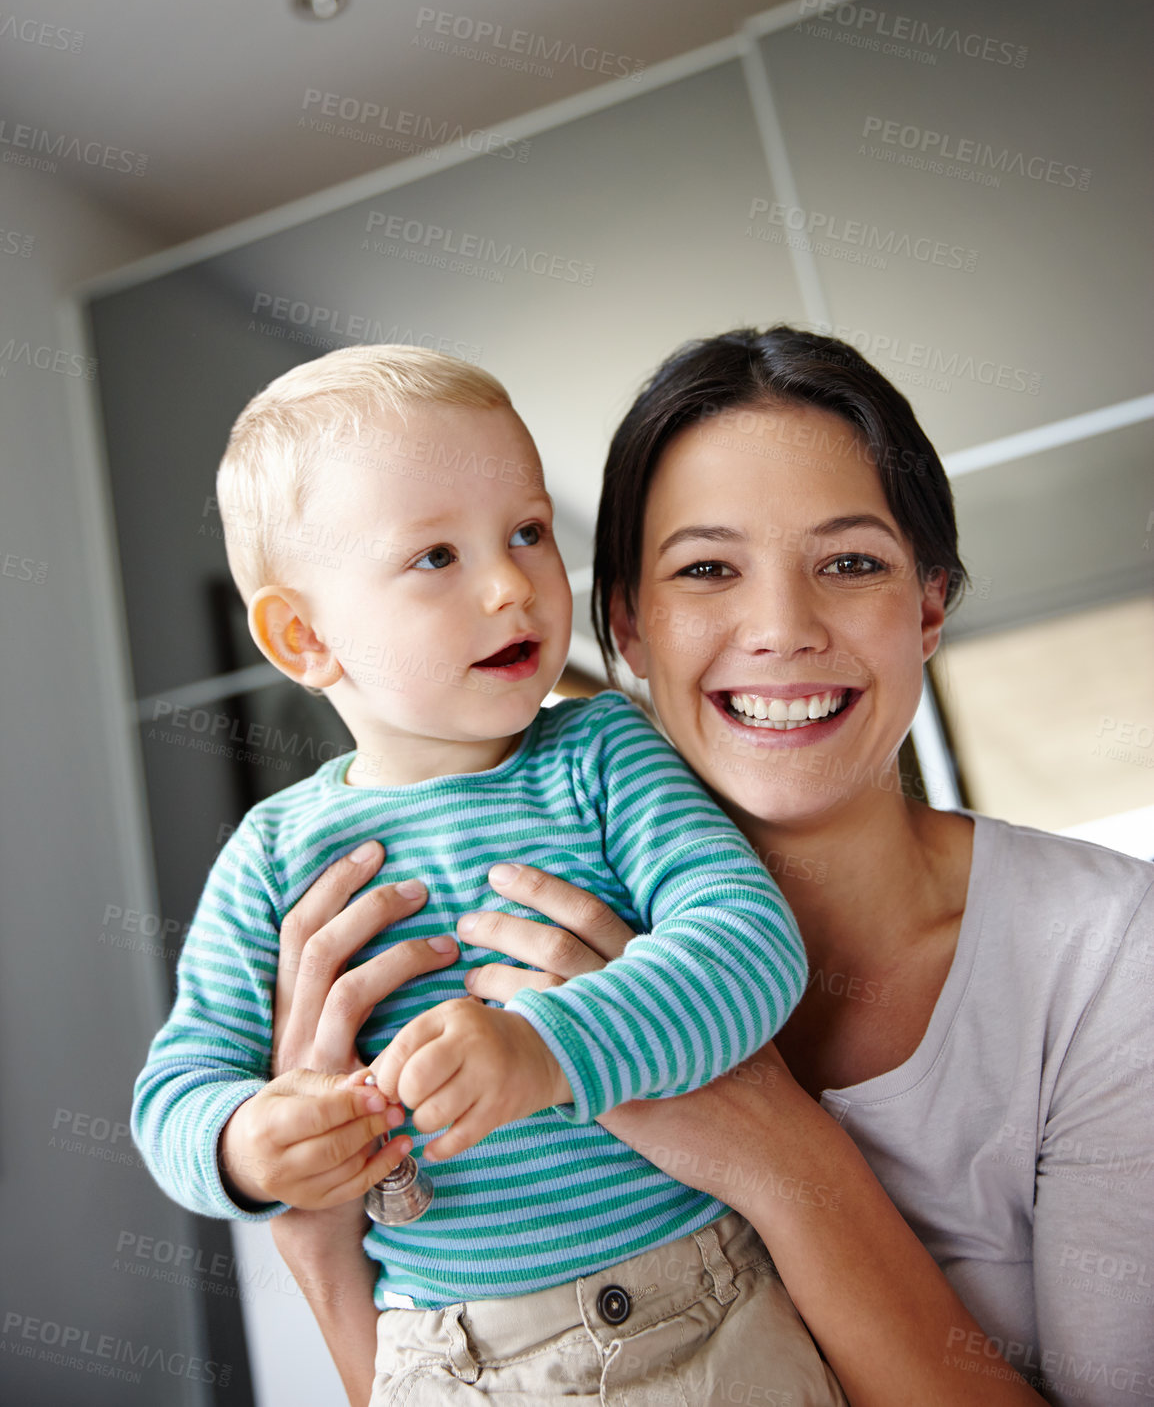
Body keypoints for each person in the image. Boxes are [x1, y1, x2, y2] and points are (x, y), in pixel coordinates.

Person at [271, 325, 1154, 1407]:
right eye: (705, 568)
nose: (780, 628)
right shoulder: (467, 944)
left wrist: (775, 1150)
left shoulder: (1109, 959)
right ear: (627, 629)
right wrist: (318, 1233)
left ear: (926, 604)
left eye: (847, 562)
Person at [131, 343, 851, 1406]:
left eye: (524, 531)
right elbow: (175, 1092)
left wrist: (545, 1048)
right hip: (445, 1358)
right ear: (303, 634)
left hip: (700, 1314)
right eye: (436, 557)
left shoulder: (606, 750)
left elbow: (748, 946)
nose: (513, 582)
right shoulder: (272, 855)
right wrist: (243, 1145)